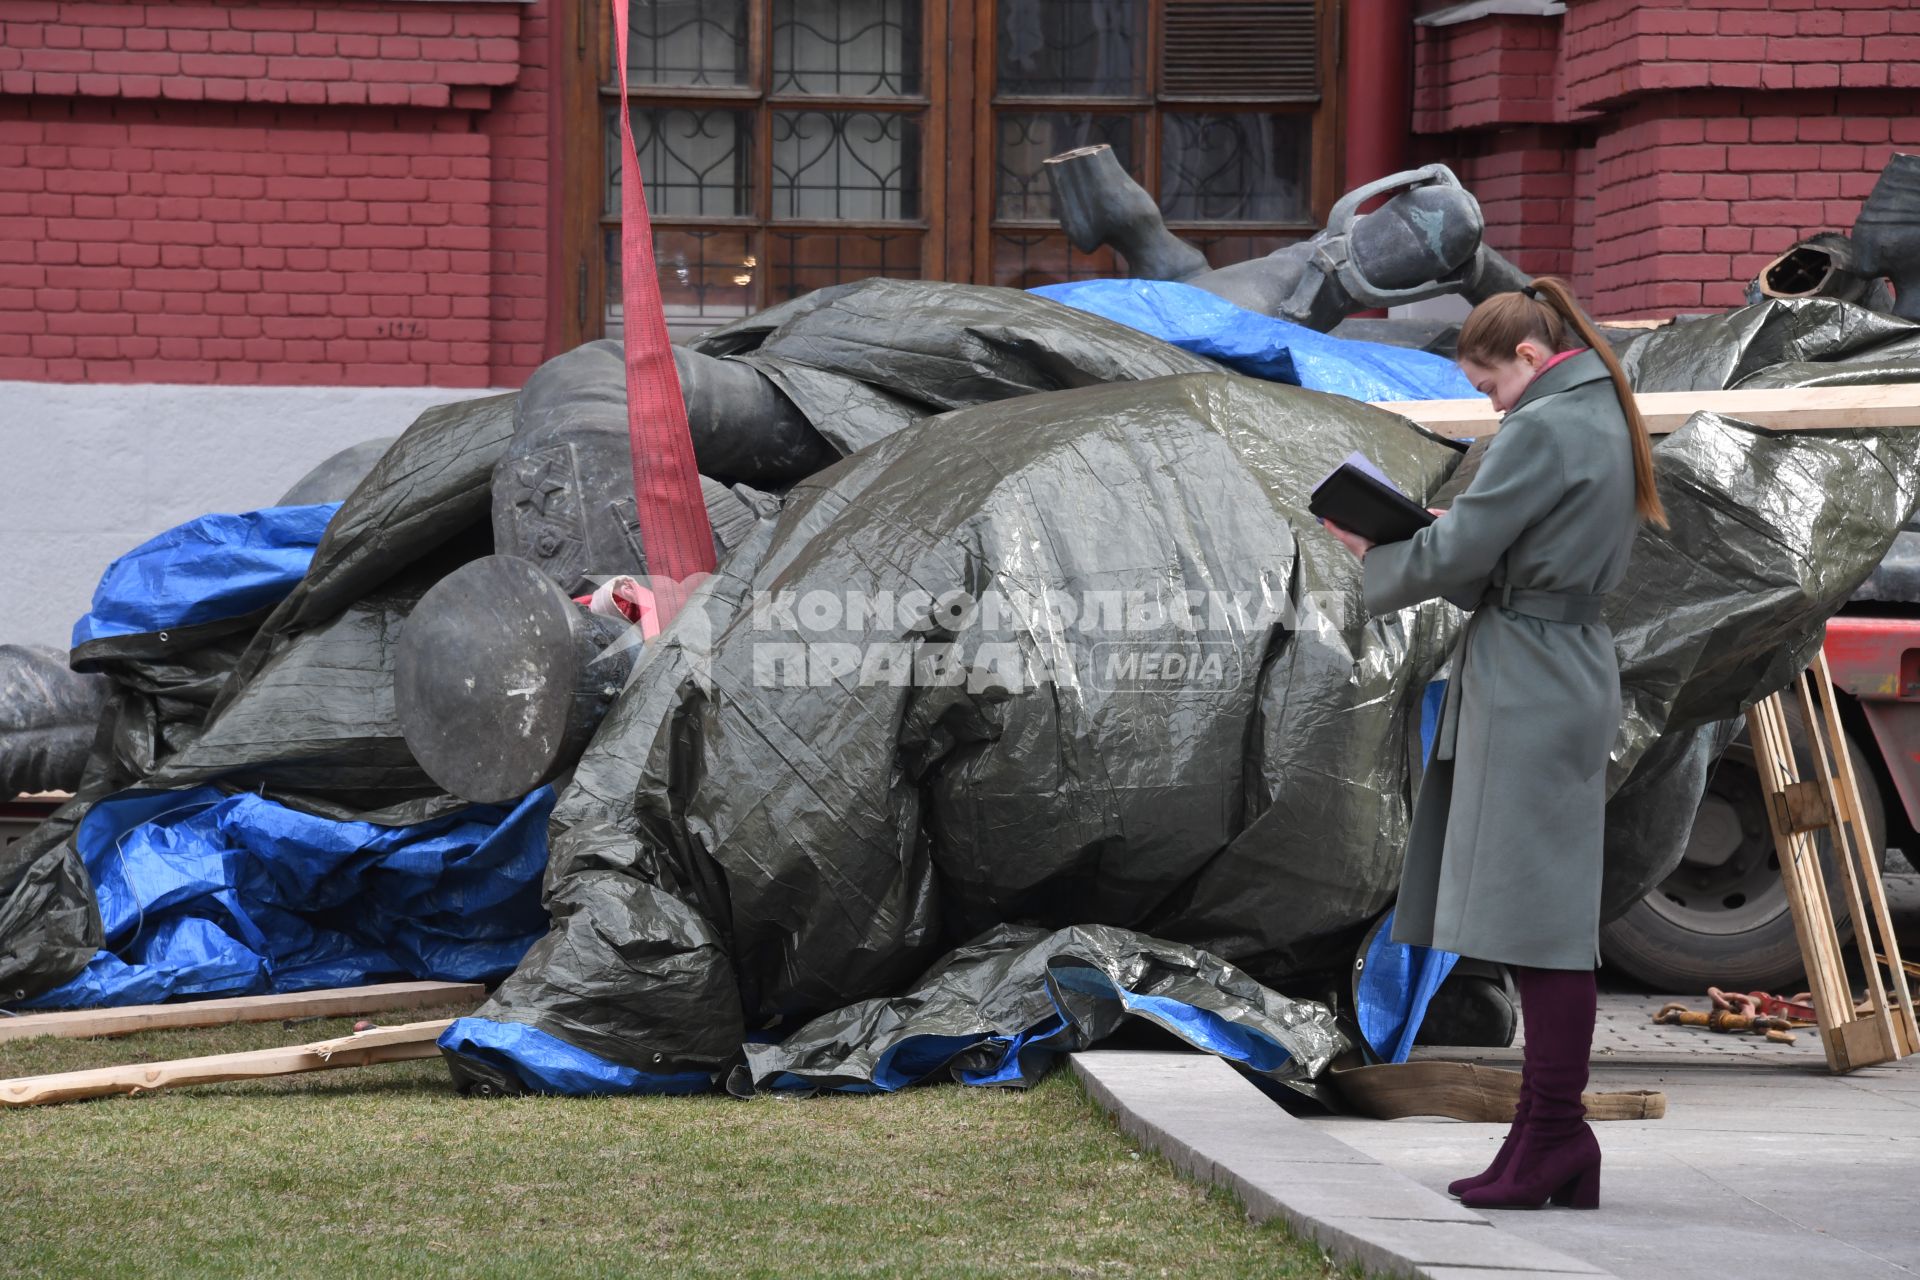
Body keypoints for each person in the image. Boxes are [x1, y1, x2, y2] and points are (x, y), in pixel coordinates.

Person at [1322, 277, 1666, 1211]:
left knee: (1542, 930)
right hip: (1553, 666)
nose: (1489, 405)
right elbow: (1514, 553)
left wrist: (1379, 552)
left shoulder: (1547, 426)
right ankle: (1549, 1138)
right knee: (1535, 922)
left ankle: (1553, 1135)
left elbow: (1470, 553)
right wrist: (1441, 538)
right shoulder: (1598, 411)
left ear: (1526, 357)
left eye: (1488, 387)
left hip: (1530, 683)